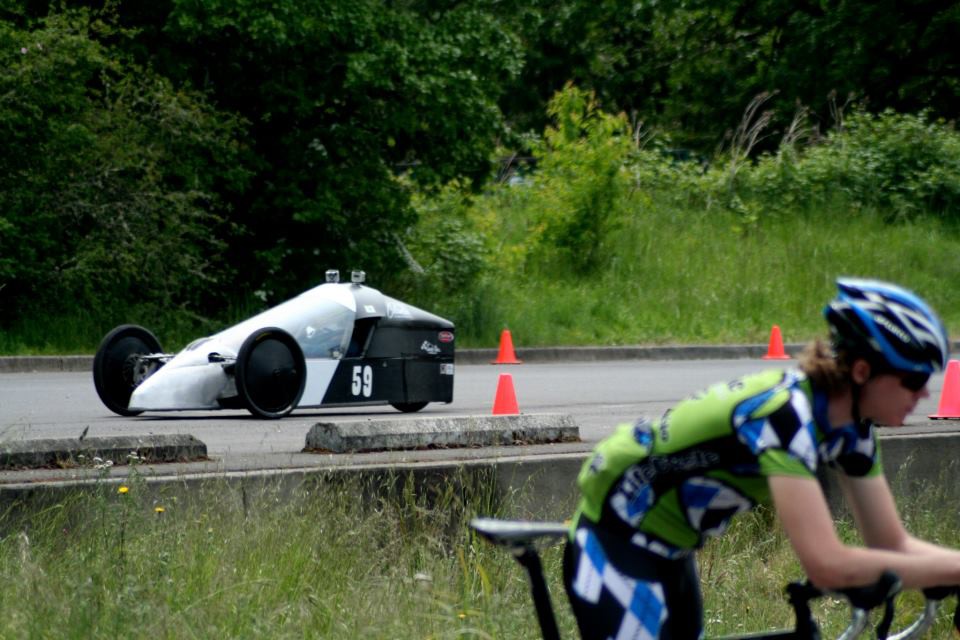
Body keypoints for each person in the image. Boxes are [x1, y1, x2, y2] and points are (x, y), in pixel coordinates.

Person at [563, 278, 960, 640]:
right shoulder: (786, 418)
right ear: (861, 371)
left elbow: (891, 543)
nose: (925, 394)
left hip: (673, 548)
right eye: (914, 380)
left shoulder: (851, 431)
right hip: (616, 535)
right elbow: (826, 565)